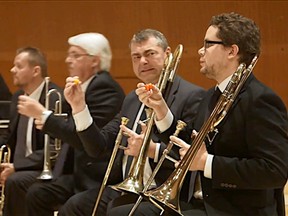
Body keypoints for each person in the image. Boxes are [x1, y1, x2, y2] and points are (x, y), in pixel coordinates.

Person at [132, 12, 288, 216]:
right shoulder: (212, 95)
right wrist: (161, 109)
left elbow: (274, 171)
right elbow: (193, 144)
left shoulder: (260, 99)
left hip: (235, 210)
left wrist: (207, 164)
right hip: (200, 203)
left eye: (208, 44)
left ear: (232, 51)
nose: (200, 51)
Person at [61, 28, 205, 215]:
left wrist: (151, 150)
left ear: (167, 54)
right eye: (136, 57)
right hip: (129, 188)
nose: (142, 61)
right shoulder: (132, 99)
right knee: (74, 206)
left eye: (150, 54)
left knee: (117, 212)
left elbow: (189, 156)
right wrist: (79, 107)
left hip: (163, 192)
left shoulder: (192, 95)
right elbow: (97, 147)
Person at [18, 32, 125, 216]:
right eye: (69, 55)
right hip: (76, 172)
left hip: (96, 176)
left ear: (94, 60)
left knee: (62, 201)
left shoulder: (105, 88)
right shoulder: (82, 86)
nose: (68, 60)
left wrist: (43, 115)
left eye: (75, 55)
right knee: (37, 193)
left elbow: (85, 138)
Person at [0, 47, 63, 216]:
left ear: (36, 70)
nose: (13, 70)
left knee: (14, 181)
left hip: (42, 168)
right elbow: (8, 136)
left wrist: (16, 167)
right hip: (18, 166)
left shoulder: (55, 97)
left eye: (19, 66)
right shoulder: (18, 96)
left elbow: (54, 148)